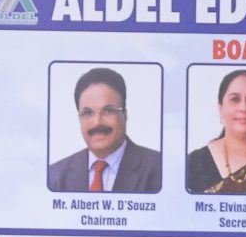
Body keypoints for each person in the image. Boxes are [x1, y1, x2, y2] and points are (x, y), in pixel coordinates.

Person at [49, 66, 163, 194]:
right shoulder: (54, 176)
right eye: (88, 113)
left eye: (108, 111)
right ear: (80, 118)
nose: (98, 122)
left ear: (125, 115)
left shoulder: (160, 169)